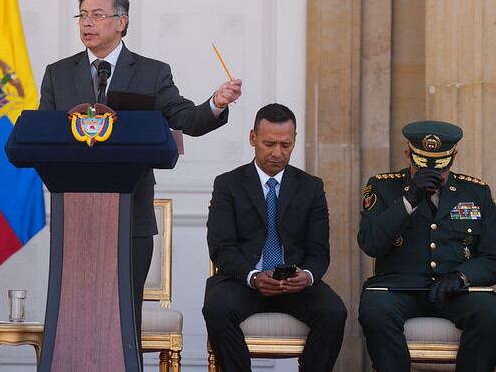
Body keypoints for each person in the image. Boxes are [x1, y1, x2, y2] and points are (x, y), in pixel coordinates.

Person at [38, 0, 243, 337]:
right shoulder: (58, 73)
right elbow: (44, 134)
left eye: (97, 15)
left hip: (130, 213)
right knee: (75, 316)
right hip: (75, 212)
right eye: (82, 15)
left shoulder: (151, 72)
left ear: (121, 21)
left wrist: (216, 103)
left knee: (123, 317)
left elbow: (186, 119)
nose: (87, 23)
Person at [202, 103, 347, 372]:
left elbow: (319, 250)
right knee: (216, 308)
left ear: (294, 141)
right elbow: (221, 248)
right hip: (243, 279)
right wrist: (254, 276)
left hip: (294, 284)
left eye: (286, 145)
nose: (277, 153)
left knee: (334, 312)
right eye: (269, 143)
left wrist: (307, 275)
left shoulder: (311, 187)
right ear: (252, 138)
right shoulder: (227, 184)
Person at [358, 120, 496, 372]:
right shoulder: (382, 186)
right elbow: (371, 244)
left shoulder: (476, 192)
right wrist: (409, 199)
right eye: (423, 166)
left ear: (453, 156)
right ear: (407, 155)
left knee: (489, 313)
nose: (434, 175)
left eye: (441, 168)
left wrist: (462, 275)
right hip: (400, 289)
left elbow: (492, 255)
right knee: (375, 310)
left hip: (456, 291)